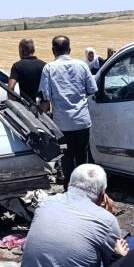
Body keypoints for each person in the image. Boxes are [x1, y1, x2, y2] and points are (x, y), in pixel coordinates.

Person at [39, 35, 97, 186]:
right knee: (82, 158)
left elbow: (45, 98)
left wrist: (40, 118)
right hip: (82, 122)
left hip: (62, 124)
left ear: (53, 50)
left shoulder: (49, 68)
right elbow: (92, 89)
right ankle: (84, 188)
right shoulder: (82, 65)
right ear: (69, 49)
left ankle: (69, 189)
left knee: (66, 159)